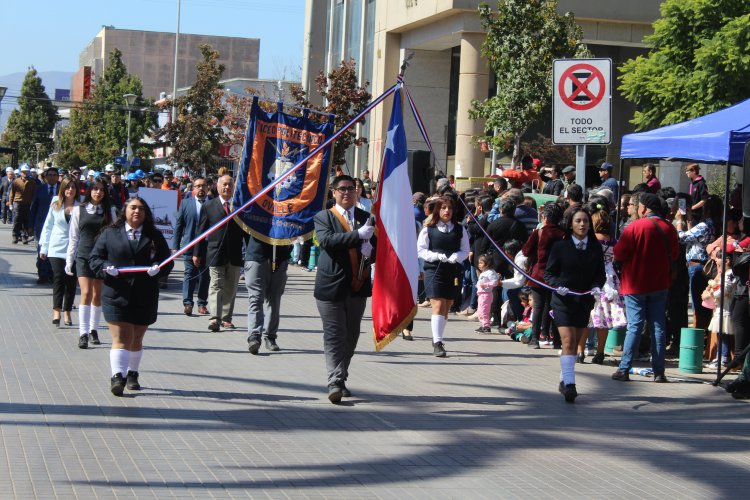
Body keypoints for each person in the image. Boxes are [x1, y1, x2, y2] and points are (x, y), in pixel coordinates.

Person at [89, 197, 174, 396]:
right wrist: (104, 268)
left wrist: (159, 270)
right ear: (125, 211)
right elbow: (94, 258)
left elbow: (167, 262)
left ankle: (132, 373)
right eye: (133, 208)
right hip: (116, 293)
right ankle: (117, 376)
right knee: (121, 336)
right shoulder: (109, 234)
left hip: (144, 294)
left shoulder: (154, 235)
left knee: (136, 337)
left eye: (141, 209)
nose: (137, 212)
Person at [313, 175, 376, 403]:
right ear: (333, 192)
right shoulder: (324, 217)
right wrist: (357, 236)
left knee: (351, 334)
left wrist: (371, 251)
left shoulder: (365, 217)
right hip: (330, 287)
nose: (347, 193)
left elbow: (375, 247)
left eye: (351, 189)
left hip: (357, 285)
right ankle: (335, 381)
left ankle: (341, 376)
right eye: (342, 189)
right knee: (334, 335)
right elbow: (328, 241)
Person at [612, 193, 679, 383]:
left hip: (635, 284)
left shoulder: (635, 227)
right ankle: (659, 372)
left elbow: (619, 253)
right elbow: (674, 254)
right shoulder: (670, 228)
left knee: (635, 326)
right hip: (660, 283)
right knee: (658, 326)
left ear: (644, 208)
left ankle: (624, 368)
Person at [544, 207, 605, 402]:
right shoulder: (559, 247)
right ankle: (570, 384)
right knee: (568, 341)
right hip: (563, 300)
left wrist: (596, 287)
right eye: (578, 220)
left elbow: (599, 275)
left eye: (585, 221)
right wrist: (557, 286)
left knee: (576, 341)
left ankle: (564, 378)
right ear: (570, 224)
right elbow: (549, 274)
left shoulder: (595, 247)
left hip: (584, 300)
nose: (582, 224)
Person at [66, 178, 116, 349]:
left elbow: (114, 236)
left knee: (97, 294)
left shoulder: (110, 211)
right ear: (89, 191)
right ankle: (83, 333)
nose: (98, 192)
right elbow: (73, 237)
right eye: (95, 189)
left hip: (101, 258)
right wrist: (69, 259)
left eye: (101, 189)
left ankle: (94, 329)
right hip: (83, 256)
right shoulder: (79, 210)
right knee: (85, 292)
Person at [417, 196, 470, 357]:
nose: (447, 211)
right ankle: (437, 342)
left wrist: (457, 257)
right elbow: (420, 250)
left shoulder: (460, 229)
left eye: (450, 208)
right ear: (437, 210)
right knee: (438, 305)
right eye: (443, 208)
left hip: (453, 271)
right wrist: (435, 256)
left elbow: (465, 250)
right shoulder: (429, 229)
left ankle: (438, 335)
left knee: (446, 307)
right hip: (434, 270)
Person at [194, 174, 245, 332]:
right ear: (217, 187)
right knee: (216, 285)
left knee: (231, 288)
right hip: (215, 253)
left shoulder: (240, 206)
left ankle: (226, 318)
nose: (227, 187)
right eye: (224, 184)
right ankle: (214, 319)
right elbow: (201, 231)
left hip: (235, 254)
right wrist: (196, 253)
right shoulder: (209, 206)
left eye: (230, 185)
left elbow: (247, 231)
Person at [580, 202, 626, 364]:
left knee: (585, 317)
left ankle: (580, 352)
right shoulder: (614, 242)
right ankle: (600, 353)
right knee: (603, 319)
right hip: (610, 280)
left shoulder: (590, 241)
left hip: (591, 278)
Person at [522, 202, 566, 349]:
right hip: (557, 276)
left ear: (545, 217)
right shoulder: (564, 234)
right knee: (554, 307)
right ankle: (556, 340)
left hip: (539, 275)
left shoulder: (540, 232)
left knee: (539, 307)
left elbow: (525, 251)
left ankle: (535, 338)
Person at [39, 176, 79, 327]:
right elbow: (48, 225)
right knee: (58, 278)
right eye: (67, 187)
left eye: (73, 187)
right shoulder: (56, 203)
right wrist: (44, 247)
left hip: (73, 249)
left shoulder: (80, 206)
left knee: (70, 281)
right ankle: (57, 310)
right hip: (56, 247)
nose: (70, 190)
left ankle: (67, 311)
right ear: (63, 189)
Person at [244, 234, 292, 355]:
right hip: (256, 255)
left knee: (274, 300)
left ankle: (270, 336)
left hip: (280, 257)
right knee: (255, 299)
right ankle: (254, 336)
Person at [172, 176, 210, 316]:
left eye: (203, 186)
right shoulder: (186, 203)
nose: (201, 188)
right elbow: (179, 225)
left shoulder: (212, 203)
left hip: (207, 247)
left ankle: (202, 303)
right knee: (189, 274)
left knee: (205, 276)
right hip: (189, 244)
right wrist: (175, 245)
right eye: (198, 186)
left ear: (208, 188)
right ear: (193, 188)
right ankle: (188, 303)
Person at [29, 167, 60, 284]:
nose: (52, 177)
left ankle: (52, 274)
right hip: (41, 225)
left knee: (53, 251)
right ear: (46, 177)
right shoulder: (40, 189)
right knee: (41, 250)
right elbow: (33, 208)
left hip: (57, 226)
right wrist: (30, 225)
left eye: (54, 175)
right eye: (50, 175)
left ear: (58, 177)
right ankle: (42, 274)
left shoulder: (63, 189)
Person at [9, 163, 37, 244]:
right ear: (21, 172)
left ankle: (25, 236)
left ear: (29, 172)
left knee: (26, 221)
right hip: (18, 203)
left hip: (28, 204)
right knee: (17, 220)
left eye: (26, 172)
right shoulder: (16, 181)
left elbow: (34, 194)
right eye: (23, 172)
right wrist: (10, 204)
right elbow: (12, 193)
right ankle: (15, 235)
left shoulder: (32, 182)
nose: (25, 173)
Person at [474, 254, 499, 333]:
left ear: (487, 263)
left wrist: (486, 285)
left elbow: (495, 282)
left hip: (486, 294)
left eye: (481, 263)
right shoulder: (483, 273)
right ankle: (483, 325)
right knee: (480, 311)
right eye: (479, 263)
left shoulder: (490, 272)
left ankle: (486, 326)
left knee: (484, 311)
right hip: (481, 294)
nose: (479, 265)